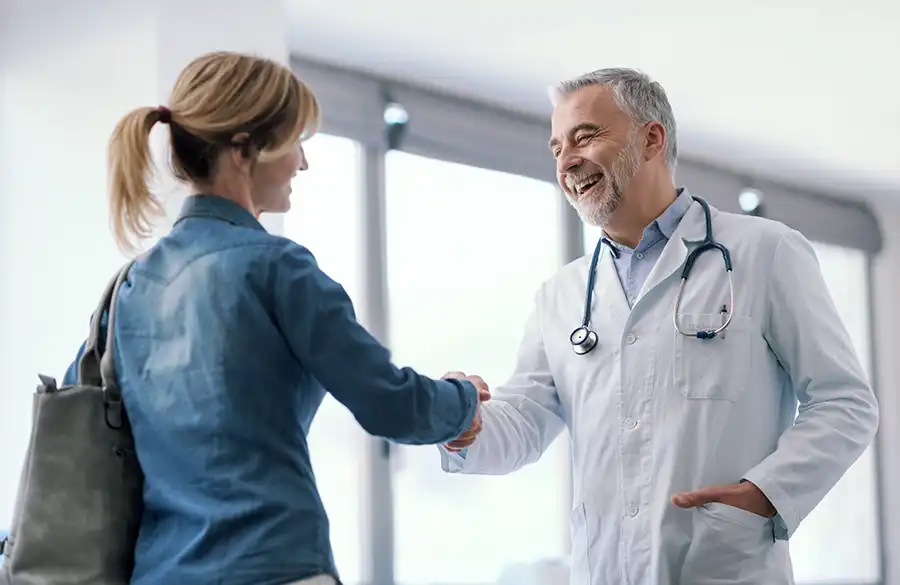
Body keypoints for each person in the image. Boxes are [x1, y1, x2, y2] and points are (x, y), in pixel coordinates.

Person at [60, 51, 489, 585]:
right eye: (294, 143)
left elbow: (71, 429)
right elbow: (390, 404)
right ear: (243, 150)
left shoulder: (128, 289)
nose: (302, 164)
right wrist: (462, 400)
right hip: (272, 565)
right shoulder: (277, 267)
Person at [438, 68, 879, 585]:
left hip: (722, 565)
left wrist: (766, 494)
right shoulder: (561, 296)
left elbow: (845, 401)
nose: (566, 161)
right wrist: (462, 422)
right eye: (556, 147)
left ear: (651, 138)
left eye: (584, 136)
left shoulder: (766, 252)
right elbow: (527, 421)